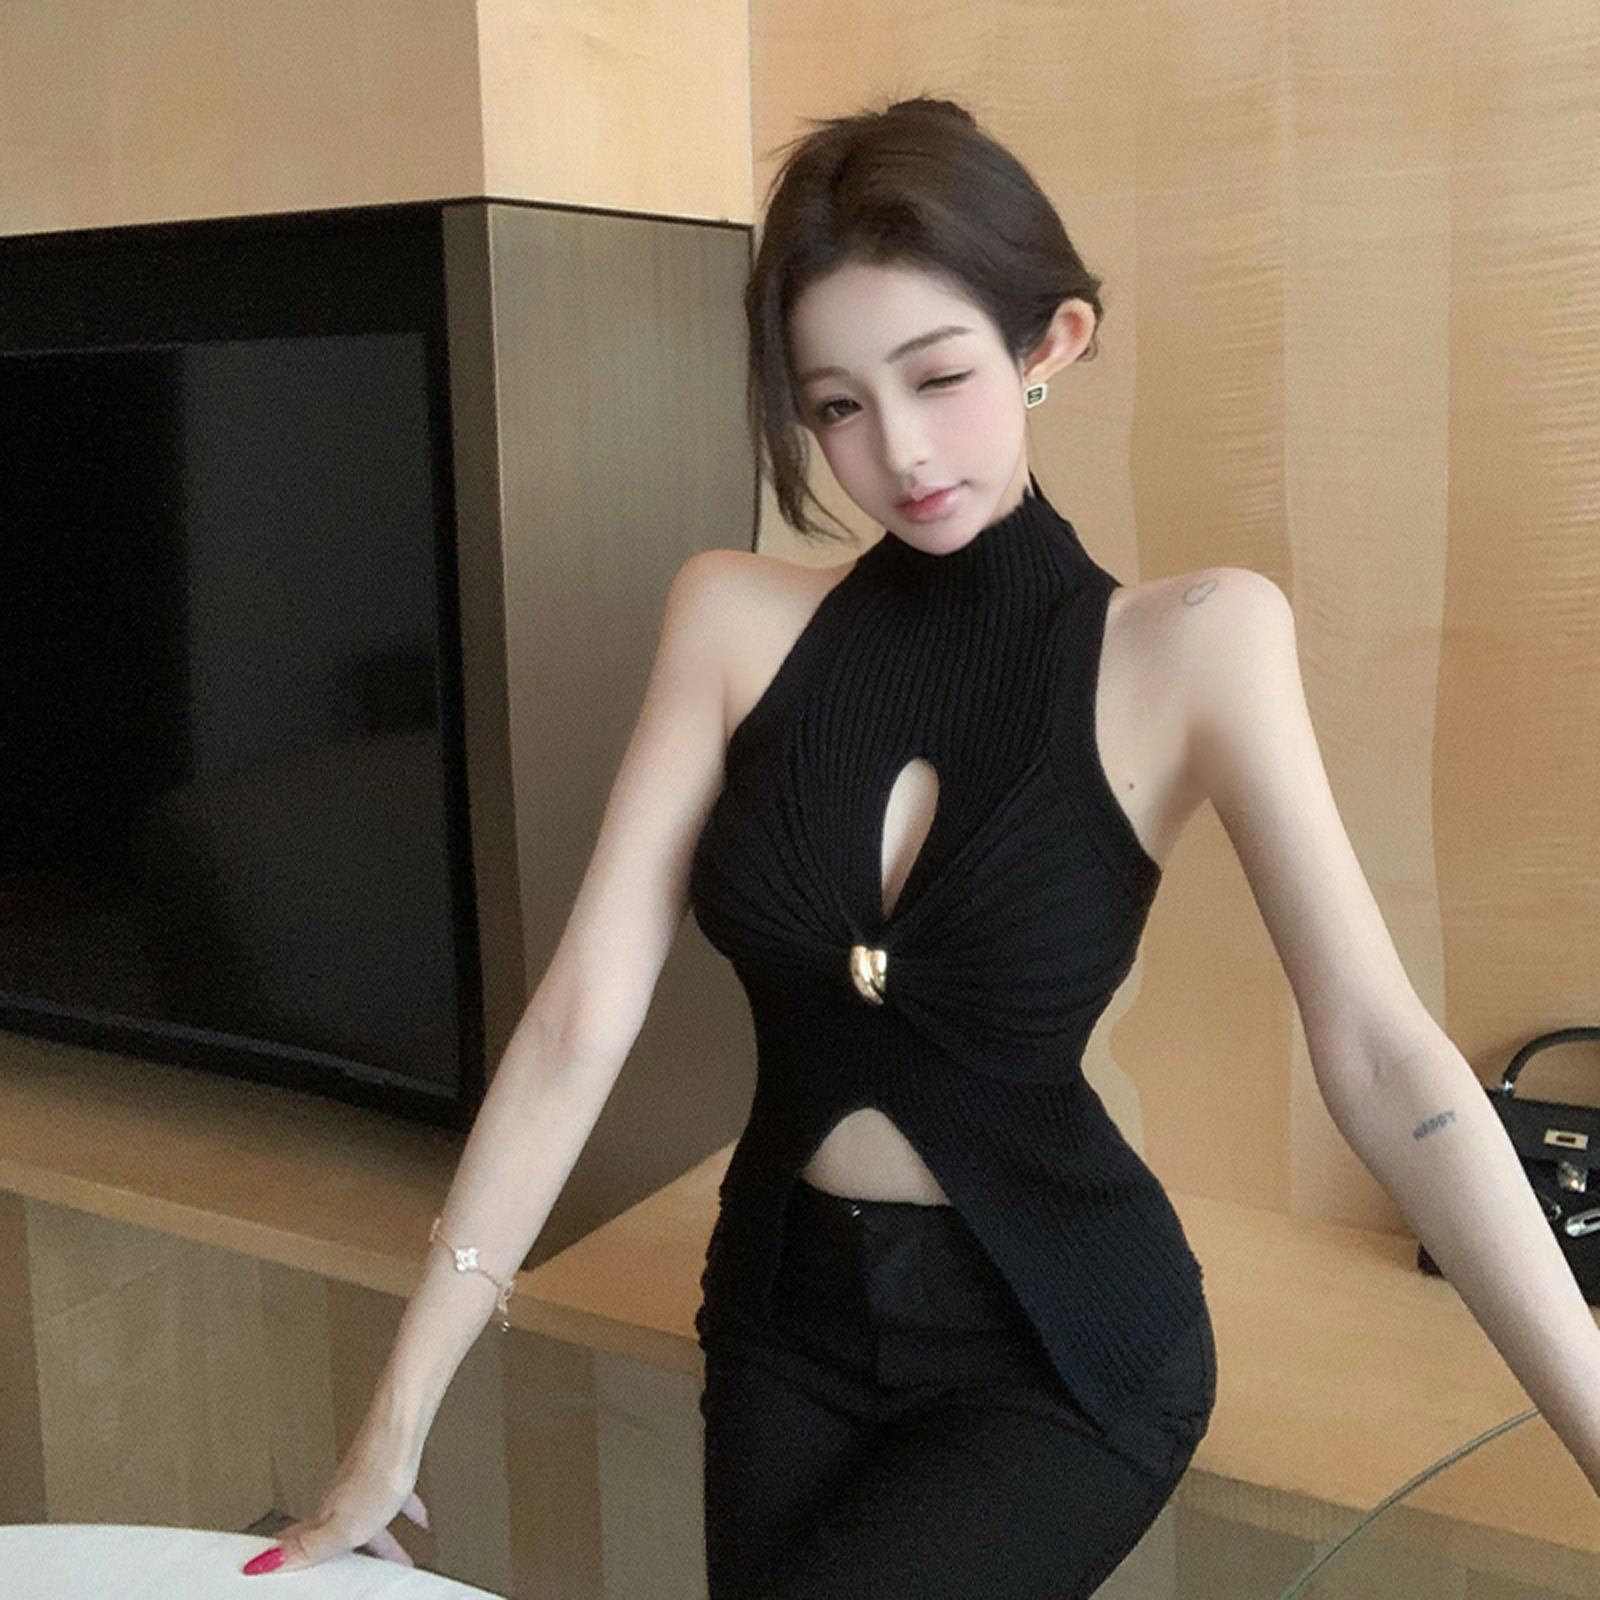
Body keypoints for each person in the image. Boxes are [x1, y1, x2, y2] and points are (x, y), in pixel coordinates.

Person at [244, 97, 1600, 1595]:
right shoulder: (729, 621)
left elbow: (1387, 1062)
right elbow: (576, 1024)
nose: (898, 452)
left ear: (1050, 344)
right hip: (782, 1325)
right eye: (836, 406)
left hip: (1058, 1341)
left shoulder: (1199, 643)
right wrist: (396, 1417)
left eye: (940, 376)